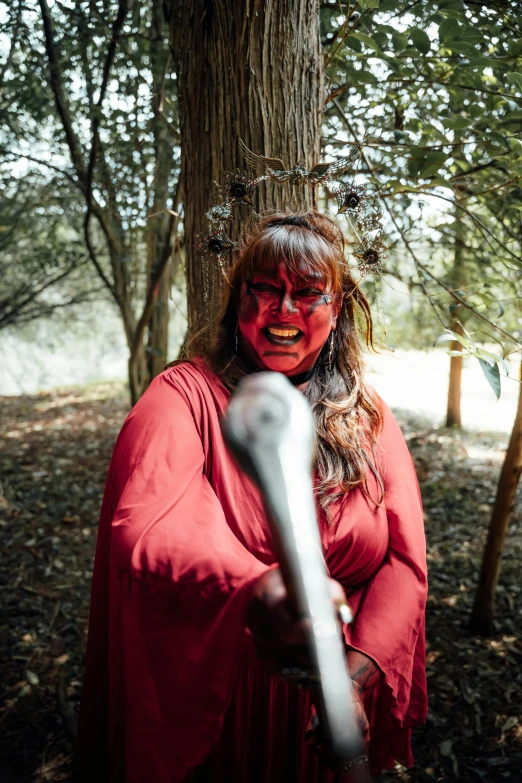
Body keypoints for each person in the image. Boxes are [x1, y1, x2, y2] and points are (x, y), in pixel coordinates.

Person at [72, 210, 428, 783]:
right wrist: (260, 591)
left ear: (336, 312)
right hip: (217, 701)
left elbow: (404, 561)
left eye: (308, 294)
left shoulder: (368, 417)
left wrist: (356, 672)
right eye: (264, 289)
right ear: (238, 301)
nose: (282, 309)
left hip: (336, 708)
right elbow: (150, 528)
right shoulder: (182, 397)